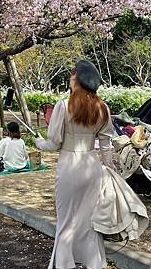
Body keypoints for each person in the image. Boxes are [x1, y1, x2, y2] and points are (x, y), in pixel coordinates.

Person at [36, 60, 114, 269]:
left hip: (70, 164)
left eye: (72, 75)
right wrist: (110, 169)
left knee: (66, 221)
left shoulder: (64, 105)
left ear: (78, 79)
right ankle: (93, 264)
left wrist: (38, 142)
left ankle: (65, 264)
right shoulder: (102, 107)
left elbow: (54, 143)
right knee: (89, 221)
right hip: (92, 165)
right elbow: (106, 145)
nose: (70, 79)